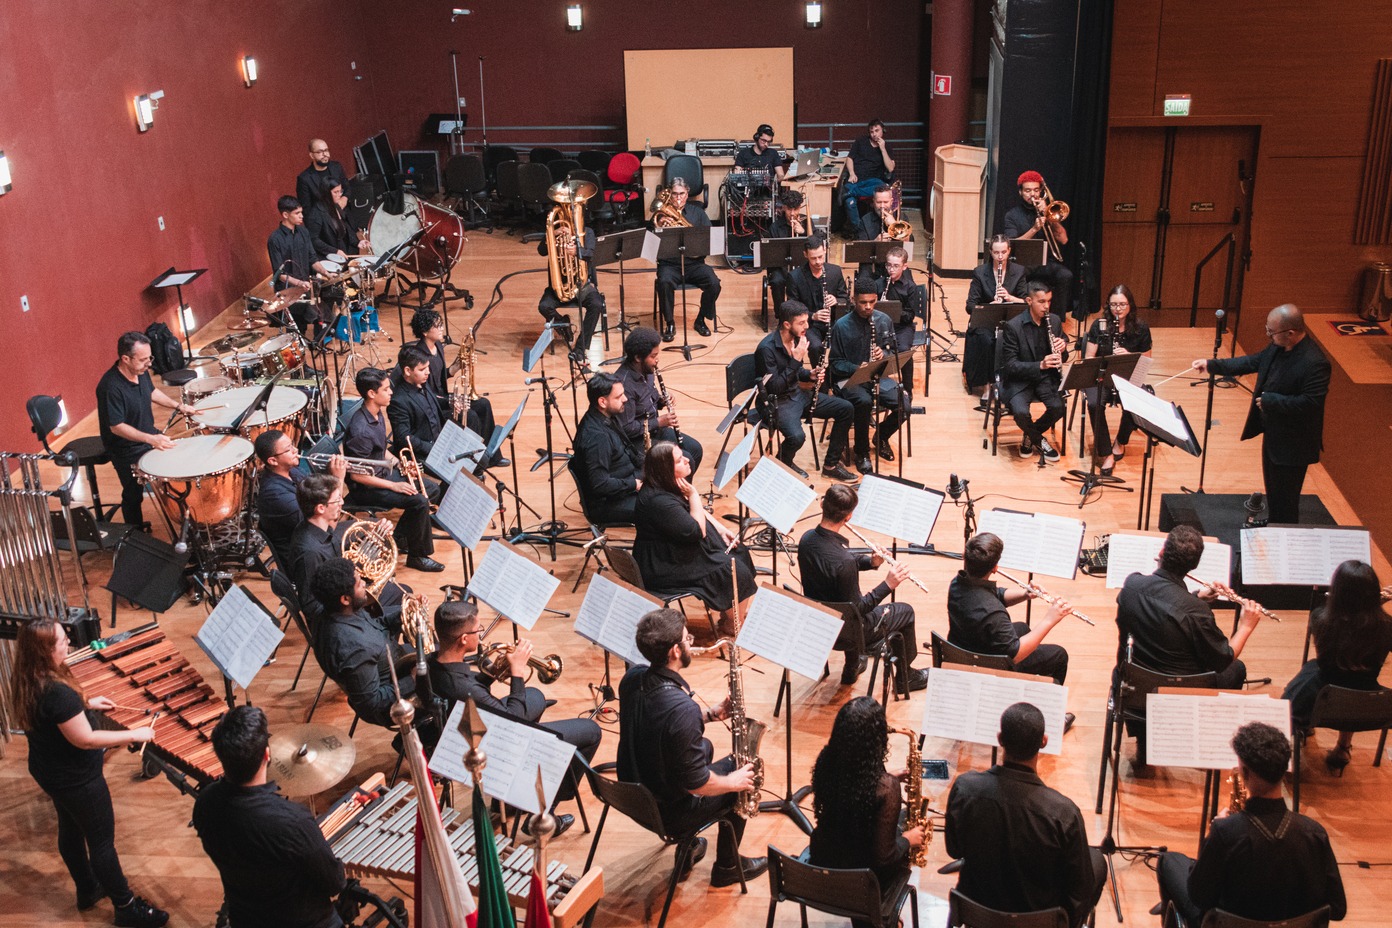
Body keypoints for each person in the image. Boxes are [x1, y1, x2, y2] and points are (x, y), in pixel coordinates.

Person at [11, 619, 167, 927]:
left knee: (70, 829)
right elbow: (85, 739)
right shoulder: (58, 694)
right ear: (45, 651)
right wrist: (133, 735)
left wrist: (85, 704)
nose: (68, 641)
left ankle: (87, 888)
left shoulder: (27, 678)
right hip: (77, 779)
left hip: (50, 772)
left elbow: (55, 717)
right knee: (101, 841)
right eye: (61, 640)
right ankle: (126, 907)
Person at [616, 607, 768, 887]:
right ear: (675, 651)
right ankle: (727, 867)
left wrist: (708, 715)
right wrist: (733, 782)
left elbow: (656, 724)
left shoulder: (633, 678)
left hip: (633, 795)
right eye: (687, 639)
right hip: (668, 813)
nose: (692, 643)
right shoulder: (682, 710)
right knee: (744, 768)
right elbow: (698, 784)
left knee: (706, 747)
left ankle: (689, 849)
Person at [428, 600, 602, 833]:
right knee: (590, 731)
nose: (480, 634)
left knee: (534, 695)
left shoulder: (432, 662)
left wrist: (491, 674)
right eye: (478, 630)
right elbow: (513, 720)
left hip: (462, 728)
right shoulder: (463, 688)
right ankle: (543, 815)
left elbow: (473, 689)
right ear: (463, 640)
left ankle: (510, 802)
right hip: (485, 743)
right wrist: (518, 672)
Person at [1156, 722, 1346, 927]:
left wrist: (1213, 836)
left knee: (1168, 861)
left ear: (1245, 774)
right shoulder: (1314, 833)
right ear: (1283, 772)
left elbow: (1199, 897)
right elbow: (1337, 908)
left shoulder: (1225, 832)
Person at [1115, 525, 1264, 773]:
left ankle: (1144, 743)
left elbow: (1165, 612)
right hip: (1178, 695)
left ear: (1161, 551)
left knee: (1148, 665)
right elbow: (1223, 658)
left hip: (1132, 687)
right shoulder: (1197, 613)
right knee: (1236, 669)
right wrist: (1246, 626)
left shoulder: (1132, 585)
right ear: (1193, 566)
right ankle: (1200, 743)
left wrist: (1197, 598)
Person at [946, 703, 1105, 928]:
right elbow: (1079, 893)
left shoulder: (964, 788)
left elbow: (954, 849)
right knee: (1097, 861)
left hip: (976, 909)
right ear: (1044, 742)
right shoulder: (1064, 813)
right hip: (1041, 920)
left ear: (1000, 739)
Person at [193, 706, 347, 928]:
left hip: (245, 918)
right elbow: (334, 883)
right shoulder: (291, 821)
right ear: (267, 755)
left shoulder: (205, 804)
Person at [1193, 303, 1331, 525]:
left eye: (1271, 331)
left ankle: (1284, 532)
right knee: (1275, 493)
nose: (1268, 335)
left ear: (1290, 333)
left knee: (1286, 499)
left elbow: (1311, 403)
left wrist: (1271, 401)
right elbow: (1252, 362)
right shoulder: (1278, 347)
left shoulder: (1315, 363)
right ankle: (1276, 522)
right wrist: (1212, 365)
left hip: (1294, 445)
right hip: (1275, 435)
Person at [797, 484, 927, 691]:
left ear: (822, 504)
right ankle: (906, 678)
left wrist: (871, 562)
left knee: (840, 599)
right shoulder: (844, 561)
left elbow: (835, 566)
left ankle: (852, 666)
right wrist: (888, 585)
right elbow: (859, 608)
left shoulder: (806, 540)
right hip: (846, 629)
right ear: (848, 517)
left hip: (818, 619)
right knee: (906, 612)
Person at [808, 697, 922, 912]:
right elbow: (884, 857)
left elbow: (852, 787)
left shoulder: (825, 760)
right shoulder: (886, 788)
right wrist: (908, 839)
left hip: (823, 859)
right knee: (904, 829)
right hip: (862, 880)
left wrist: (884, 777)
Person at [634, 442, 756, 635]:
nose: (687, 460)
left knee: (738, 551)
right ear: (666, 469)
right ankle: (733, 624)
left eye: (683, 456)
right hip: (663, 564)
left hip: (674, 548)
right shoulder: (658, 501)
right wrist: (694, 496)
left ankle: (730, 615)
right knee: (732, 568)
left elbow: (695, 512)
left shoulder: (666, 483)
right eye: (679, 460)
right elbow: (697, 531)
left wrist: (721, 527)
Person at [1282, 560, 1392, 773]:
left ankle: (1300, 733)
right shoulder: (1387, 627)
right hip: (1367, 701)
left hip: (1324, 695)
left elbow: (1347, 621)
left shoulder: (1320, 619)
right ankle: (1343, 747)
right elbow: (1363, 623)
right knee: (1354, 681)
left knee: (1291, 699)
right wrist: (1374, 605)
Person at [342, 368, 443, 573]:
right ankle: (418, 556)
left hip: (382, 474)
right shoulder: (360, 431)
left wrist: (400, 464)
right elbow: (358, 476)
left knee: (431, 489)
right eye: (386, 389)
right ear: (372, 393)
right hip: (367, 486)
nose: (391, 393)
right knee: (419, 501)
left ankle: (401, 538)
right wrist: (395, 485)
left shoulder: (377, 413)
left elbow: (381, 451)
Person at [948, 533, 1075, 696]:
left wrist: (1025, 594)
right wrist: (1050, 619)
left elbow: (996, 594)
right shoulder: (993, 612)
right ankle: (1045, 709)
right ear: (995, 568)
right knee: (1059, 655)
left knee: (1022, 627)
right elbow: (1015, 654)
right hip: (987, 664)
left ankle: (1021, 690)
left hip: (964, 645)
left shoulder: (958, 583)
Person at [95, 331, 195, 528]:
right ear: (125, 358)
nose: (148, 364)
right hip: (125, 448)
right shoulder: (110, 387)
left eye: (150, 357)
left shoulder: (139, 371)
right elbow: (116, 427)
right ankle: (135, 534)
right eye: (143, 360)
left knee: (178, 466)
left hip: (148, 434)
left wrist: (178, 406)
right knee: (133, 494)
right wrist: (151, 440)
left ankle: (186, 520)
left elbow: (152, 392)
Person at [752, 300, 857, 482]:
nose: (807, 327)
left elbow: (796, 372)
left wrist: (810, 374)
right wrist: (796, 360)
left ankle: (830, 465)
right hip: (776, 402)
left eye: (807, 321)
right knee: (797, 437)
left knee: (846, 408)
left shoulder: (797, 339)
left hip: (796, 395)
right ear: (786, 324)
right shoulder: (766, 349)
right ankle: (782, 462)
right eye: (801, 323)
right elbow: (774, 387)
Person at [311, 557, 414, 729]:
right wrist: (412, 679)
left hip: (390, 661)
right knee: (447, 673)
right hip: (392, 704)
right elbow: (371, 703)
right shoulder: (354, 648)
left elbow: (377, 626)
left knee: (437, 649)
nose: (365, 584)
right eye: (359, 584)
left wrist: (404, 613)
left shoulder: (340, 611)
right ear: (345, 598)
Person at [830, 277, 907, 471]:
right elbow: (835, 364)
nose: (868, 307)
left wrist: (884, 354)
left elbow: (893, 351)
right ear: (854, 300)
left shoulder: (884, 320)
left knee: (904, 404)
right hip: (849, 379)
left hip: (877, 376)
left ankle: (880, 436)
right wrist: (857, 368)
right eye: (863, 302)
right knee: (863, 402)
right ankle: (861, 451)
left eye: (872, 302)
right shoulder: (841, 326)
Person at [405, 308, 501, 461]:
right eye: (438, 326)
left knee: (483, 404)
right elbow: (425, 394)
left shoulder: (438, 347)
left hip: (443, 397)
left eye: (441, 324)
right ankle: (474, 460)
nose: (442, 328)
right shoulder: (420, 356)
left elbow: (442, 376)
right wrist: (451, 402)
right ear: (425, 332)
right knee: (470, 415)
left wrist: (458, 366)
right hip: (433, 404)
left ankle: (492, 456)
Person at [1083, 284, 1152, 474]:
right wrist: (1105, 361)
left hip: (1129, 378)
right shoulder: (1100, 325)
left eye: (1122, 305)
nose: (1118, 309)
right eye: (1114, 305)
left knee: (1137, 401)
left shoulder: (1140, 328)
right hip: (1101, 376)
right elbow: (1089, 357)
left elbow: (1146, 360)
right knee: (1094, 404)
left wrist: (1128, 355)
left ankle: (1120, 441)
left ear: (1130, 305)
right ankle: (1106, 454)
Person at [614, 327, 703, 471]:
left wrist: (661, 400)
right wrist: (659, 422)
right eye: (653, 356)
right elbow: (627, 428)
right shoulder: (624, 385)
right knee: (686, 459)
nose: (657, 359)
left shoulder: (647, 371)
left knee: (695, 450)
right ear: (638, 358)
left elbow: (649, 398)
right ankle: (671, 491)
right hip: (638, 442)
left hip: (655, 429)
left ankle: (678, 489)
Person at [254, 428, 345, 569]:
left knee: (377, 530)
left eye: (292, 445)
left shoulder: (292, 471)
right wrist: (338, 479)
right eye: (288, 449)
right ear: (273, 460)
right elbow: (323, 524)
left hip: (316, 539)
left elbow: (317, 494)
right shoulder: (274, 495)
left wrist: (329, 473)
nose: (296, 450)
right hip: (308, 556)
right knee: (369, 536)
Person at [999, 278, 1069, 462]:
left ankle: (1030, 436)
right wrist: (1040, 365)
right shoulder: (1013, 326)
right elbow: (1010, 365)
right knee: (1021, 412)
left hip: (1046, 378)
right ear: (1029, 301)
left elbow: (1064, 356)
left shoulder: (1053, 321)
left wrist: (1063, 348)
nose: (1046, 306)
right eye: (1041, 301)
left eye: (1049, 301)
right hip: (1020, 380)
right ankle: (1040, 441)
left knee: (1058, 407)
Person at [652, 177, 720, 341]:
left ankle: (701, 319)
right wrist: (658, 226)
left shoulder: (698, 213)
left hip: (694, 264)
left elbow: (711, 237)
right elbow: (650, 244)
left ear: (687, 194)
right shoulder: (660, 215)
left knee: (714, 283)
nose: (678, 198)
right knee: (664, 282)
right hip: (670, 264)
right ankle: (670, 323)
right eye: (674, 194)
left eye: (681, 194)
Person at [1001, 170, 1075, 322]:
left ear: (1041, 191)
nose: (1032, 194)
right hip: (1023, 263)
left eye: (1036, 190)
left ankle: (1056, 322)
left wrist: (1050, 217)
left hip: (1046, 262)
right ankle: (1021, 320)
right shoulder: (1012, 215)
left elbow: (1064, 239)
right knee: (1015, 277)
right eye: (1028, 190)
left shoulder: (1047, 211)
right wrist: (1034, 229)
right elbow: (1012, 245)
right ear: (1021, 192)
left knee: (1065, 275)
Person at [963, 235, 1028, 403]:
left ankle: (1011, 385)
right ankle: (987, 385)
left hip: (1010, 320)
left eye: (1004, 252)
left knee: (1012, 340)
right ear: (990, 252)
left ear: (1009, 251)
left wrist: (1009, 297)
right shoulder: (980, 272)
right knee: (986, 340)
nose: (1000, 257)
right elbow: (970, 305)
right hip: (986, 321)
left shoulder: (1019, 271)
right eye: (996, 252)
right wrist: (988, 307)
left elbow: (1027, 300)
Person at [571, 372, 643, 523]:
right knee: (663, 507)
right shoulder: (597, 438)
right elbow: (600, 484)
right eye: (618, 397)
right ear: (602, 402)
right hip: (608, 504)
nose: (625, 399)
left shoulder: (606, 416)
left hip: (623, 483)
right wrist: (634, 484)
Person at [537, 213, 606, 363]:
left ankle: (581, 347)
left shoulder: (586, 232)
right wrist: (551, 233)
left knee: (596, 304)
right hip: (558, 286)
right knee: (544, 306)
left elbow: (592, 254)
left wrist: (577, 252)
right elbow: (541, 251)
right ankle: (564, 326)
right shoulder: (554, 233)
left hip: (582, 284)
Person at [266, 195, 329, 335]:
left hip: (304, 287)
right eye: (297, 213)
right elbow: (280, 274)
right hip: (288, 292)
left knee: (322, 314)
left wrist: (326, 273)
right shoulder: (275, 239)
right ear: (285, 215)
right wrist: (300, 283)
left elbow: (313, 259)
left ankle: (318, 343)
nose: (302, 216)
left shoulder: (303, 232)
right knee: (296, 331)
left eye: (301, 212)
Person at [786, 233, 847, 362]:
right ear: (805, 254)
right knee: (815, 346)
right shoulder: (795, 277)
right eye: (813, 258)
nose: (818, 262)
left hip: (834, 322)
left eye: (820, 256)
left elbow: (845, 299)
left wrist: (836, 300)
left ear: (825, 250)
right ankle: (818, 374)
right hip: (810, 324)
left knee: (848, 341)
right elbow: (792, 309)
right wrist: (813, 316)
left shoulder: (835, 271)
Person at [874, 245, 924, 396]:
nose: (891, 270)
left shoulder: (910, 287)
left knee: (904, 352)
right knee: (873, 350)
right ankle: (881, 385)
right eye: (889, 265)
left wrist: (891, 310)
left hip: (902, 327)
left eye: (896, 266)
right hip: (881, 326)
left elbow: (910, 315)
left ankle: (908, 389)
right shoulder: (878, 284)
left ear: (904, 266)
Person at [387, 346, 446, 459]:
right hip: (422, 453)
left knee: (479, 456)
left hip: (439, 441)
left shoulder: (422, 381)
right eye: (422, 369)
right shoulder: (398, 401)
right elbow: (404, 437)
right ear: (408, 371)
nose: (428, 372)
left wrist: (450, 403)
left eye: (428, 367)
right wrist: (432, 448)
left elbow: (430, 404)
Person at [842, 119, 897, 231]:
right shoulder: (860, 141)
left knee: (883, 188)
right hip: (857, 180)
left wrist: (882, 149)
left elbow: (890, 168)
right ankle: (859, 231)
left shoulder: (887, 147)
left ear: (883, 131)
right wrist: (852, 173)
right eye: (872, 131)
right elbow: (849, 158)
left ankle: (849, 192)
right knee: (849, 202)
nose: (874, 134)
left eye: (877, 131)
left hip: (875, 181)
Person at [764, 189, 807, 309]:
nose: (792, 213)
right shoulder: (775, 227)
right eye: (789, 209)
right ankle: (781, 314)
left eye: (796, 209)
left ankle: (803, 311)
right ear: (783, 208)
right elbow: (770, 254)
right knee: (777, 281)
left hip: (802, 266)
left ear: (800, 208)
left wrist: (803, 233)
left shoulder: (807, 223)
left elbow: (815, 243)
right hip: (780, 267)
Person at [305, 179, 359, 260]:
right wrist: (334, 251)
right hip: (329, 258)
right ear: (326, 193)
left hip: (344, 252)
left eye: (340, 191)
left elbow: (344, 228)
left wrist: (357, 242)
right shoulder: (316, 213)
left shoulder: (336, 206)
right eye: (335, 192)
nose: (340, 195)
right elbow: (314, 239)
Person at [296, 139, 349, 215]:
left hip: (345, 214)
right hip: (325, 221)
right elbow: (306, 209)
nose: (325, 154)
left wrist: (344, 199)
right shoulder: (304, 179)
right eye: (320, 152)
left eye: (326, 150)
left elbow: (347, 187)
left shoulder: (336, 166)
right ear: (311, 155)